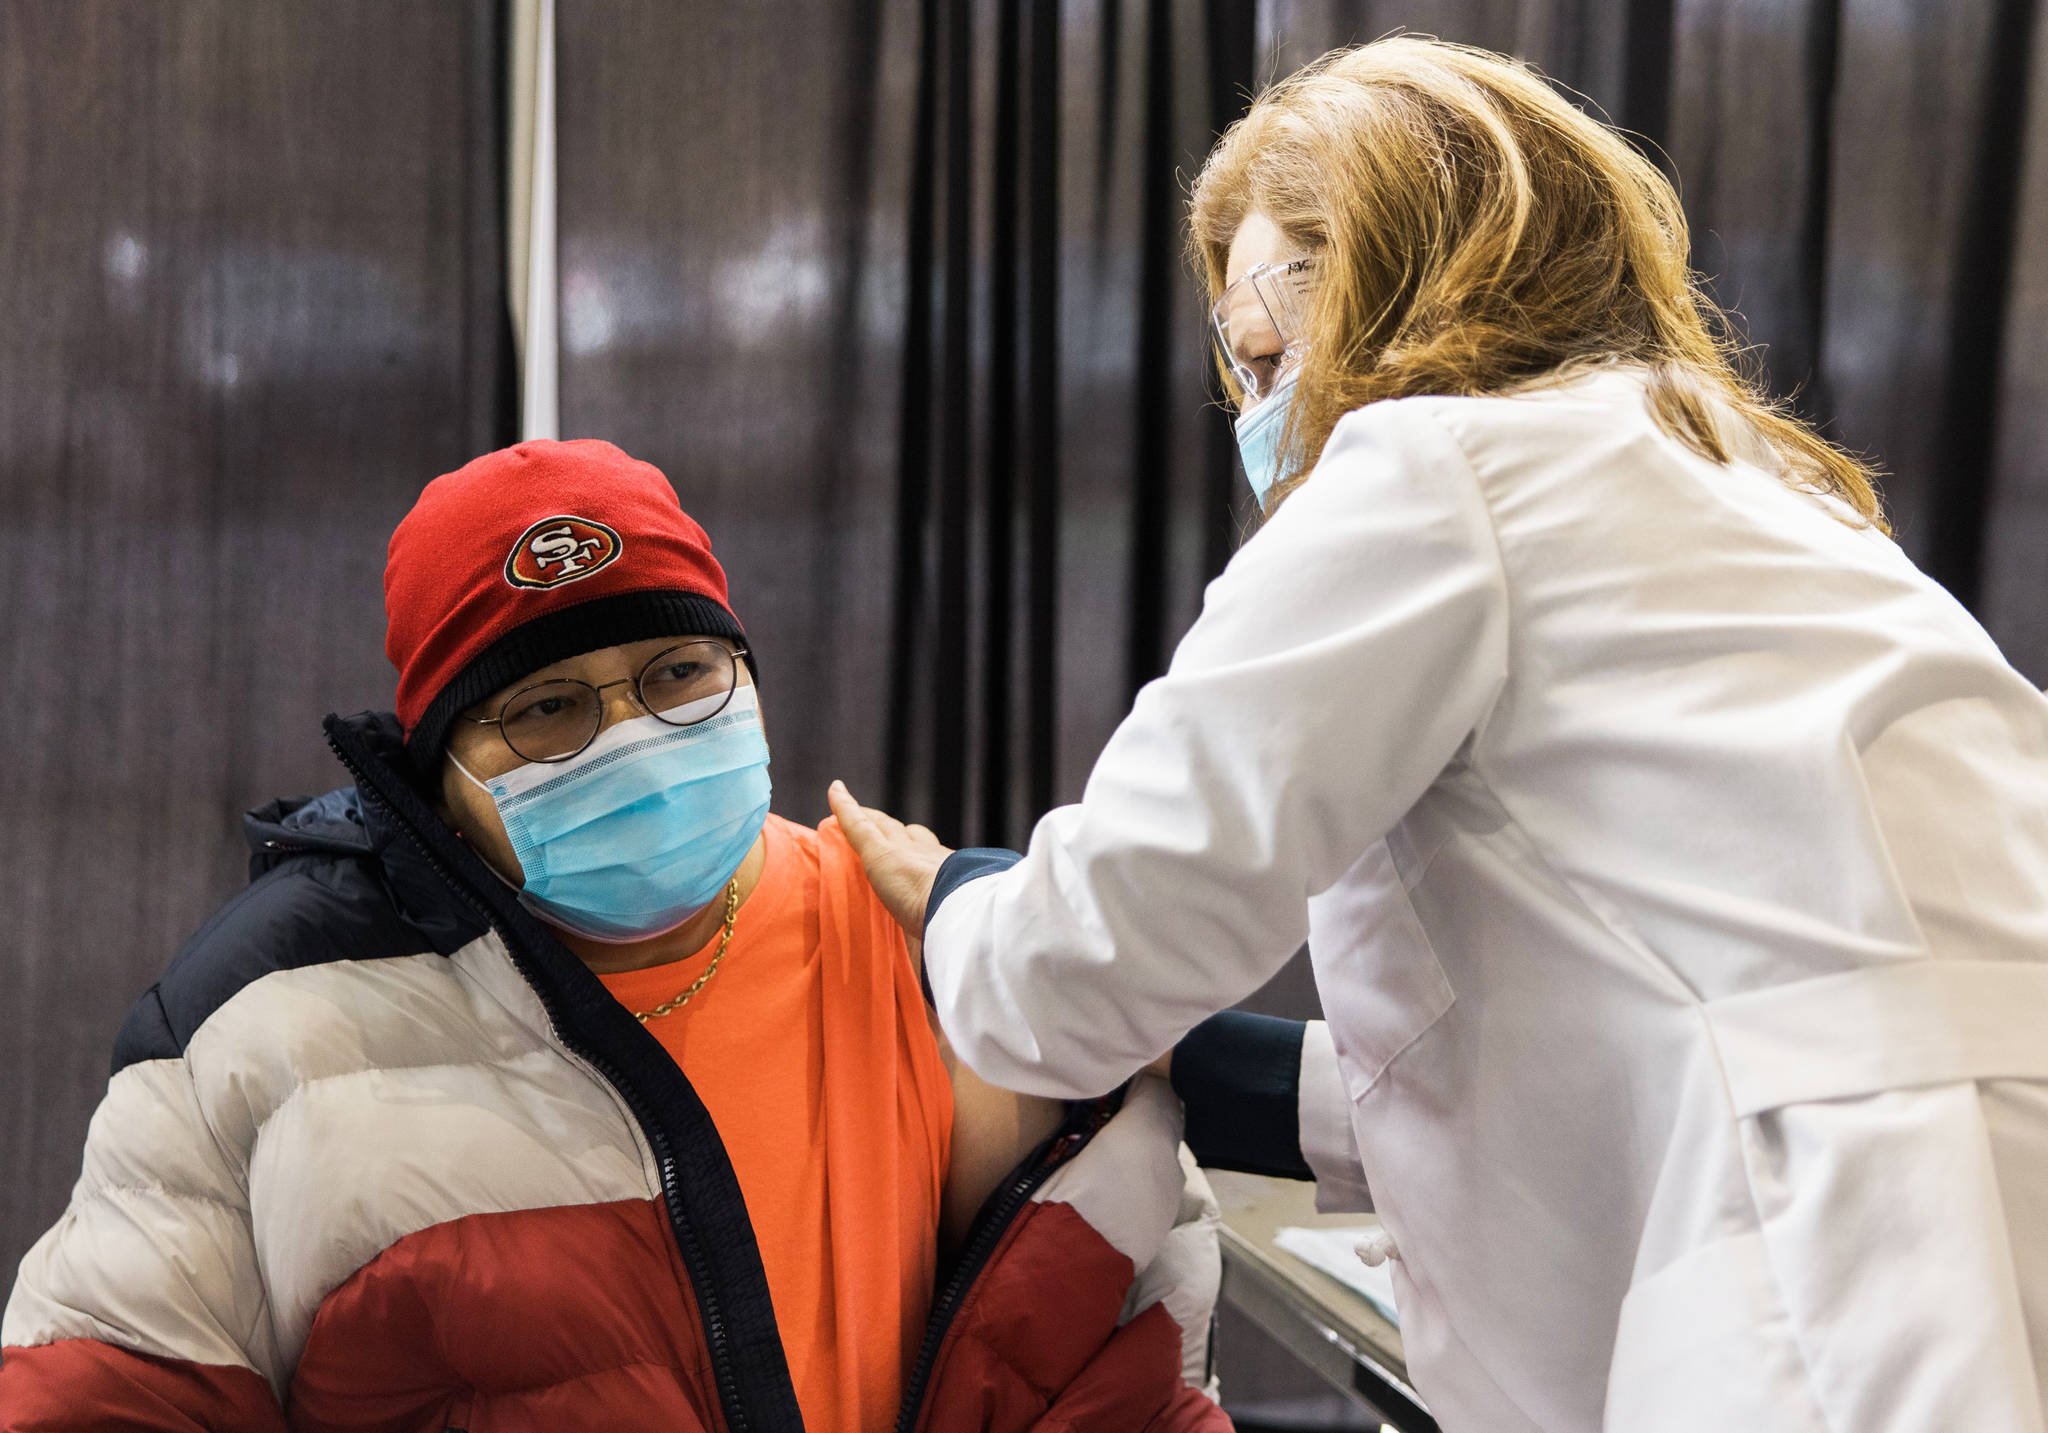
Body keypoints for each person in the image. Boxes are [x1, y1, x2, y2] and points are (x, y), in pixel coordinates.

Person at [829, 36, 2048, 1433]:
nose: (1264, 416)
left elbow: (1077, 963)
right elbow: (1620, 1009)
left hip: (1842, 1249)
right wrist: (1209, 1069)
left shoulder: (1435, 465)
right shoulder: (1744, 484)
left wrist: (959, 907)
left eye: (1272, 355)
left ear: (1407, 273)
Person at [0, 440, 1230, 1433]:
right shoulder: (259, 1021)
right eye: (545, 707)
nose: (632, 735)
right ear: (439, 779)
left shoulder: (925, 946)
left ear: (745, 676)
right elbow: (111, 1389)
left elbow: (1124, 1359)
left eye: (678, 672)